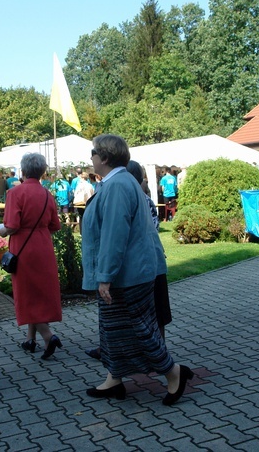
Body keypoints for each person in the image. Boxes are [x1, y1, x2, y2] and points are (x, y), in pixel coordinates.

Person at [82, 134, 193, 405]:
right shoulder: (117, 182)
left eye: (93, 152)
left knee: (139, 330)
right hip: (128, 272)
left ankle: (174, 373)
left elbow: (114, 234)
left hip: (126, 275)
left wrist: (105, 276)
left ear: (105, 157)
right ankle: (114, 379)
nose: (91, 158)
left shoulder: (118, 185)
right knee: (112, 330)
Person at [85, 160, 172, 360]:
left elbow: (128, 234)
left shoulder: (127, 195)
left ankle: (161, 357)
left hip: (145, 265)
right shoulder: (136, 196)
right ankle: (125, 358)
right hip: (151, 262)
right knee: (152, 314)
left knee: (151, 315)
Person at [0, 153, 64, 359]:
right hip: (43, 246)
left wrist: (2, 231)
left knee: (27, 294)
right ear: (42, 171)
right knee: (38, 293)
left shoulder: (15, 193)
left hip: (23, 248)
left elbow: (12, 226)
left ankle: (47, 335)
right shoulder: (47, 194)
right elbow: (56, 225)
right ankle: (30, 339)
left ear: (23, 171)